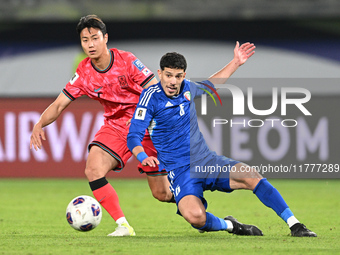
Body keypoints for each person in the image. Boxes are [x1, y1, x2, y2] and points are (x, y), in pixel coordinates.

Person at [127, 43, 317, 237]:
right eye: (168, 75)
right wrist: (142, 156)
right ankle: (232, 226)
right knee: (195, 217)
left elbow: (210, 86)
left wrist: (236, 62)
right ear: (160, 73)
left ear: (184, 75)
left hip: (206, 161)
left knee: (251, 175)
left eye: (178, 76)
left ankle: (295, 225)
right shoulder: (150, 97)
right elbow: (133, 135)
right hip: (180, 171)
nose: (173, 81)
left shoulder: (188, 88)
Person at [29, 14, 173, 237]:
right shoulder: (84, 73)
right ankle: (123, 225)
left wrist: (142, 117)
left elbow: (156, 90)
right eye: (85, 40)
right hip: (115, 126)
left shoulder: (127, 61)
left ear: (105, 38)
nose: (90, 44)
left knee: (162, 194)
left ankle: (192, 201)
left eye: (94, 38)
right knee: (93, 169)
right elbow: (59, 105)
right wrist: (39, 123)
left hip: (145, 124)